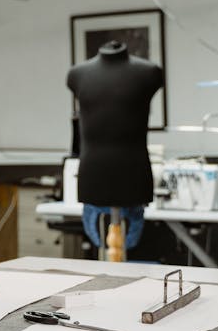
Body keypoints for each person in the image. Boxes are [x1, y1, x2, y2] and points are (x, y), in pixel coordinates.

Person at [66, 41, 163, 250]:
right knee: (101, 249)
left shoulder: (150, 72)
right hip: (94, 176)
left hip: (133, 175)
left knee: (129, 252)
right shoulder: (76, 74)